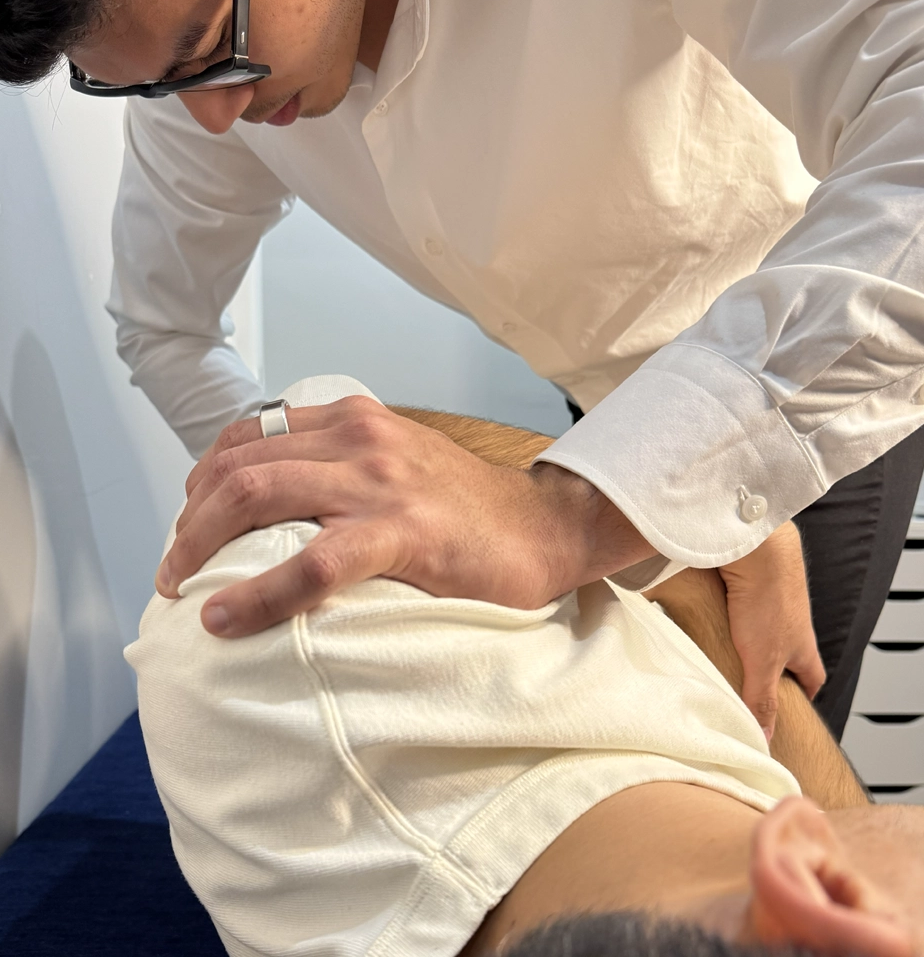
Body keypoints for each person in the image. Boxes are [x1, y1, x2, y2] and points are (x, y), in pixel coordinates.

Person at [0, 0, 924, 739]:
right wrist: (290, 495)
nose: (214, 116)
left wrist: (597, 505)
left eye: (214, 44)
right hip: (587, 420)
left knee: (763, 800)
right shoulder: (214, 84)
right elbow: (163, 325)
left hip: (815, 377)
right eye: (152, 82)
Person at [125, 377, 922, 957]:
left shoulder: (305, 645)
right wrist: (674, 533)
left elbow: (300, 447)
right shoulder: (722, 870)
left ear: (817, 888)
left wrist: (605, 516)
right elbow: (819, 801)